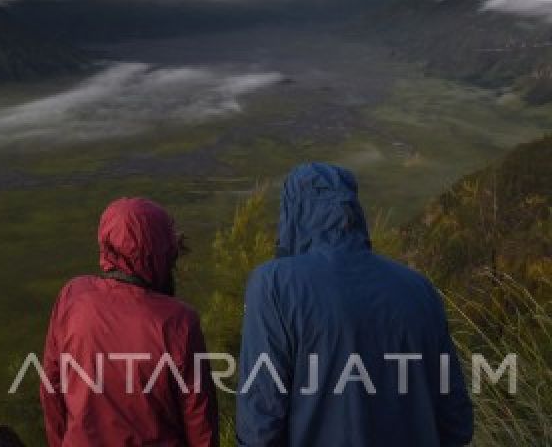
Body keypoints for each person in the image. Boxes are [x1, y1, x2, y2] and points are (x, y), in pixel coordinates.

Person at [237, 163, 473, 446]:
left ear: (292, 213)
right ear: (353, 211)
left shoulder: (273, 285)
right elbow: (456, 422)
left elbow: (260, 423)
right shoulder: (419, 288)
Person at [41, 197, 219, 447]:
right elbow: (200, 423)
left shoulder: (73, 296)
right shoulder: (179, 322)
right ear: (162, 253)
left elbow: (51, 388)